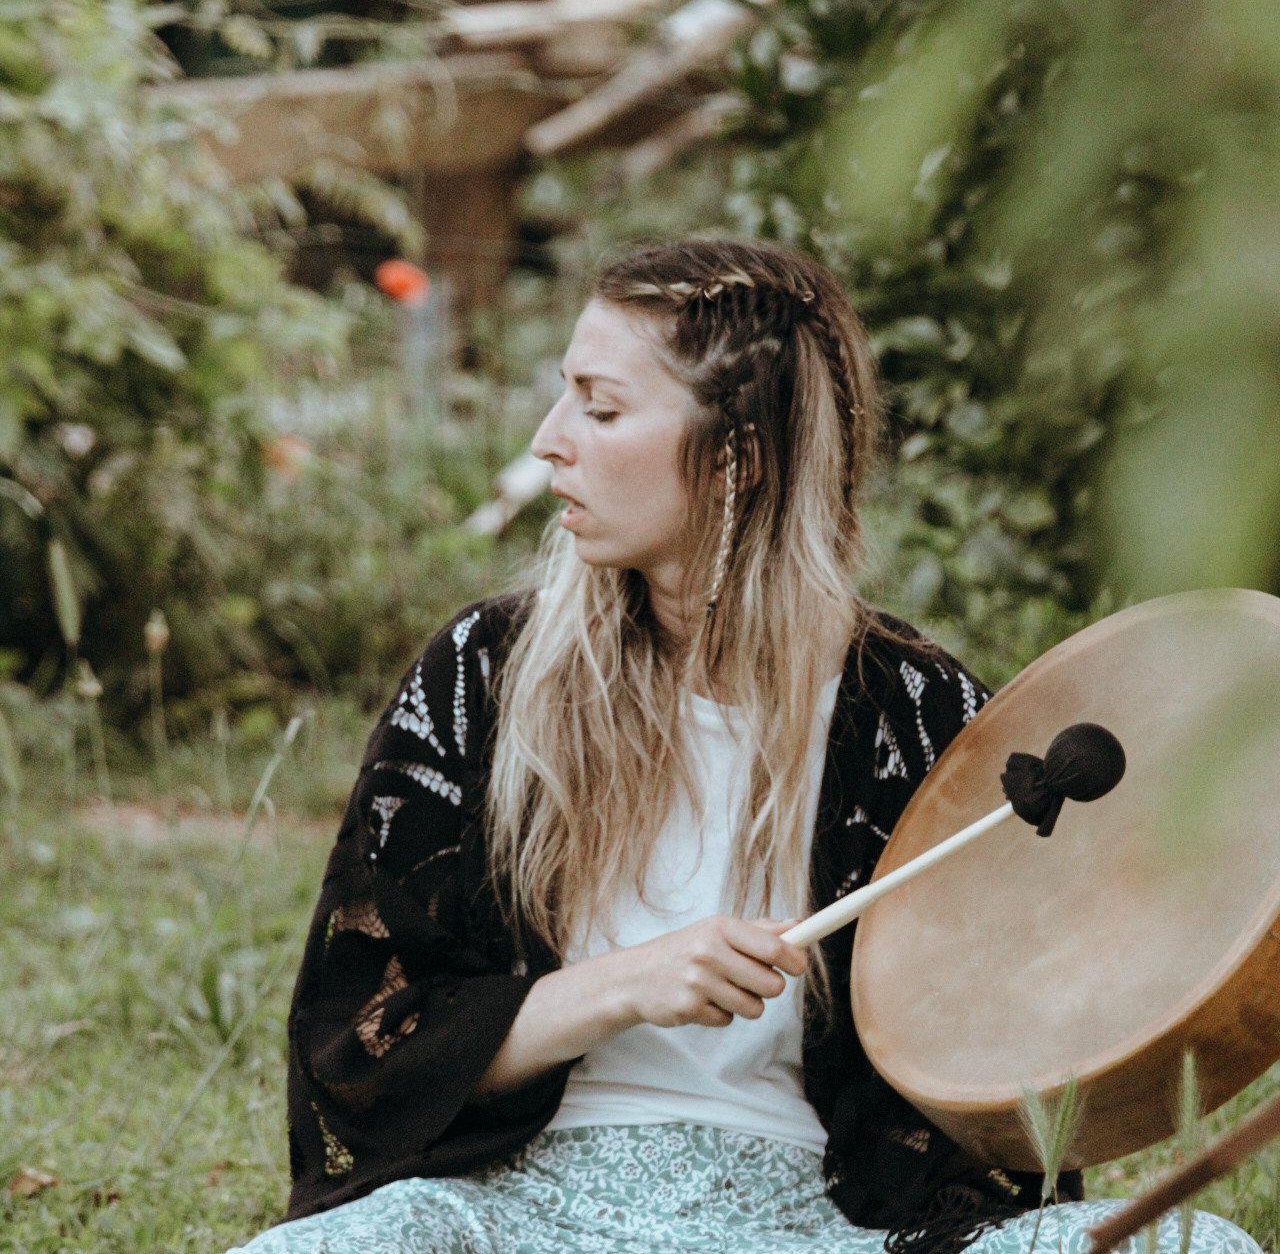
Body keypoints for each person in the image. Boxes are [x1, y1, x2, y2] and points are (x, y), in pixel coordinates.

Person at [230, 240, 1260, 1254]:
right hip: (513, 1210)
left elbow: (1008, 1048)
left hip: (818, 1224)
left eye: (599, 409)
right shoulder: (485, 674)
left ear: (741, 455)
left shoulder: (916, 714)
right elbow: (362, 1047)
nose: (549, 441)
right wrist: (623, 984)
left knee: (1193, 1247)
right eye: (562, 398)